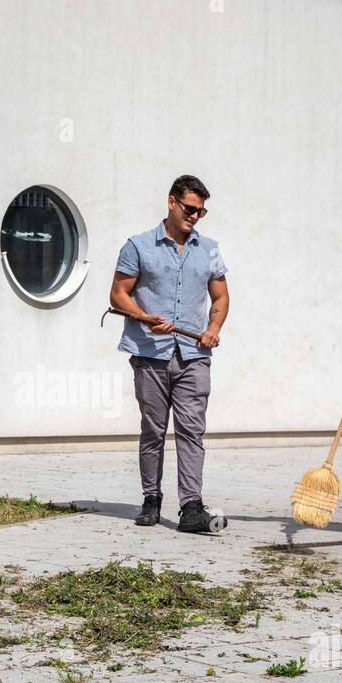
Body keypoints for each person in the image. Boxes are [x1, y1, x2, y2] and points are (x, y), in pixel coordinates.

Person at [109, 175, 230, 533]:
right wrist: (144, 318)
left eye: (202, 211)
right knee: (153, 430)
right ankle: (151, 499)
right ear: (172, 202)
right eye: (191, 209)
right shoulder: (138, 246)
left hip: (194, 355)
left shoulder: (209, 249)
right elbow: (118, 294)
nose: (195, 216)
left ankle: (191, 506)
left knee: (192, 431)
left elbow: (221, 299)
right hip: (149, 353)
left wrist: (213, 330)